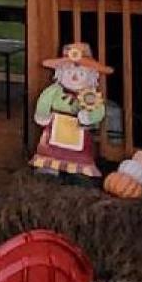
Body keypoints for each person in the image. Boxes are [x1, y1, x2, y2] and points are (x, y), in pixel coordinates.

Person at [30, 42, 110, 180]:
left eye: (80, 73)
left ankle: (78, 172)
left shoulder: (90, 96)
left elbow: (98, 109)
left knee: (81, 152)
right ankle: (48, 169)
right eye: (69, 72)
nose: (74, 77)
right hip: (55, 127)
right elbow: (44, 100)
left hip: (78, 130)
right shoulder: (54, 91)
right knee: (50, 150)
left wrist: (89, 117)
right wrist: (42, 114)